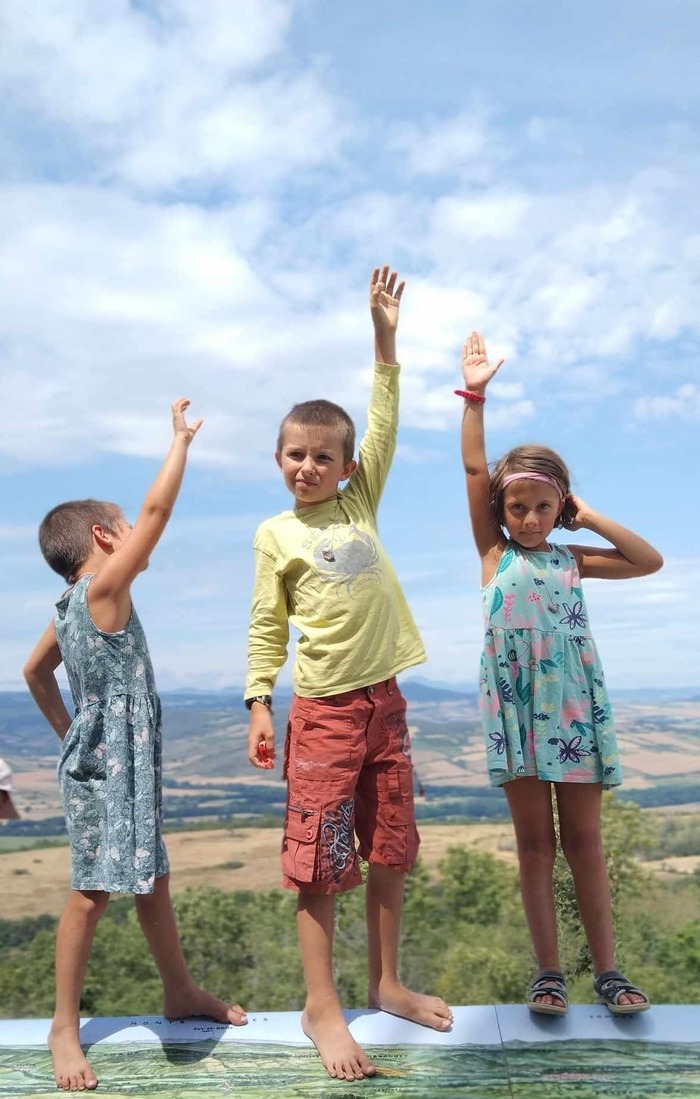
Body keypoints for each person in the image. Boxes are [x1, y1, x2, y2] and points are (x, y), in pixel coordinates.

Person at [245, 267, 453, 1081]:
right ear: (278, 458)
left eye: (323, 455)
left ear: (345, 464)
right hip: (325, 711)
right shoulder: (275, 533)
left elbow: (386, 419)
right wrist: (259, 700)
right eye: (295, 454)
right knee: (321, 859)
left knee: (390, 843)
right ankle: (321, 1004)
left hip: (385, 704)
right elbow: (267, 621)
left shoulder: (359, 502)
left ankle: (386, 982)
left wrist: (385, 337)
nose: (308, 465)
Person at [24, 400, 247, 1093]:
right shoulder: (104, 589)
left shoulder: (69, 606)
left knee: (153, 875)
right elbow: (157, 511)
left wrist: (71, 734)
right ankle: (64, 1025)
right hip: (107, 771)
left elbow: (34, 673)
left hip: (114, 766)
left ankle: (179, 991)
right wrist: (180, 443)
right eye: (123, 530)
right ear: (103, 537)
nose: (136, 536)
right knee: (91, 894)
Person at [460, 331, 663, 1018]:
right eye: (516, 507)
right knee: (535, 846)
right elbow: (473, 469)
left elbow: (648, 560)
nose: (528, 518)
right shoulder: (494, 555)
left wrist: (589, 514)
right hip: (516, 709)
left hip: (573, 709)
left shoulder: (572, 559)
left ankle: (608, 972)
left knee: (585, 844)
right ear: (500, 510)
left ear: (561, 507)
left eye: (543, 507)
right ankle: (548, 974)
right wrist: (474, 398)